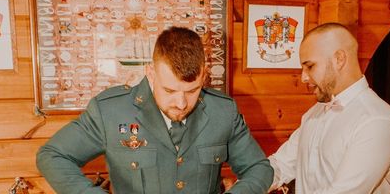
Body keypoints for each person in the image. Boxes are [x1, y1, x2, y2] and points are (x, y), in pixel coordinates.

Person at [37, 26, 273, 193]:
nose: (181, 103)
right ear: (150, 73)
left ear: (203, 75)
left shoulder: (223, 111)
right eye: (170, 91)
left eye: (192, 91)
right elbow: (52, 156)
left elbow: (259, 169)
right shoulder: (110, 112)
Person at [268, 23, 390, 193]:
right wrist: (245, 186)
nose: (303, 77)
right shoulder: (314, 114)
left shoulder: (376, 121)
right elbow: (282, 164)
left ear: (339, 59)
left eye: (310, 66)